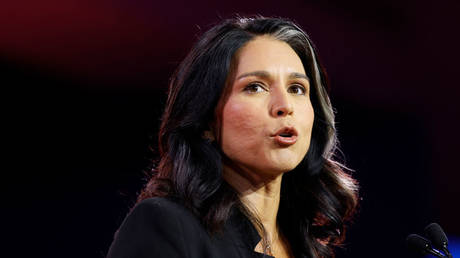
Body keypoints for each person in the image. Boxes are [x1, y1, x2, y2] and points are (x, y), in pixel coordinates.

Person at [107, 16, 359, 258]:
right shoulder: (166, 225)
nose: (284, 105)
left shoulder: (308, 246)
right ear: (206, 120)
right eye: (255, 87)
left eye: (297, 89)